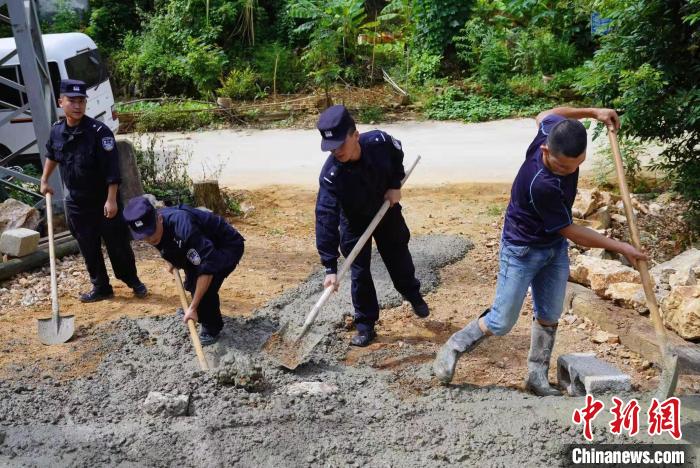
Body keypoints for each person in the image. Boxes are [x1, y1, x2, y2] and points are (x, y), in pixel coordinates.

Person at [432, 106, 648, 395]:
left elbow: (548, 113)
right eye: (562, 167)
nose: (568, 172)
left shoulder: (551, 130)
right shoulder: (541, 183)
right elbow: (571, 231)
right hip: (522, 249)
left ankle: (536, 377)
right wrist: (620, 246)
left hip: (553, 247)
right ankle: (454, 346)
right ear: (545, 150)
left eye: (575, 165)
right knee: (501, 320)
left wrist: (594, 112)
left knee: (549, 312)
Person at [315, 105, 428, 347]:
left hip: (385, 208)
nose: (336, 152)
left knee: (397, 254)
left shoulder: (379, 142)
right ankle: (365, 325)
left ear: (355, 135)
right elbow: (325, 216)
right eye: (331, 148)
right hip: (354, 221)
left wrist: (395, 184)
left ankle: (412, 293)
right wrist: (329, 266)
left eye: (340, 144)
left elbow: (396, 153)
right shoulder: (331, 175)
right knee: (359, 271)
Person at [40, 79, 146, 303]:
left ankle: (132, 280)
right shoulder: (57, 131)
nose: (77, 106)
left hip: (104, 201)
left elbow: (112, 170)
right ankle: (101, 287)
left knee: (117, 245)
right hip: (77, 203)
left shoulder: (99, 132)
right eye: (72, 101)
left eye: (81, 101)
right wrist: (44, 180)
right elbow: (52, 155)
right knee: (88, 246)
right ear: (61, 102)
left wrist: (111, 200)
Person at [123, 196, 245, 345]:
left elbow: (207, 268)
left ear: (159, 218)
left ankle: (212, 328)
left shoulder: (184, 227)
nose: (150, 239)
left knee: (205, 292)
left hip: (225, 245)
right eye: (144, 236)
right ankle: (199, 309)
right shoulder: (154, 227)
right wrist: (170, 259)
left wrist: (193, 307)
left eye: (151, 232)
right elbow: (163, 243)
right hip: (201, 244)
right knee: (192, 284)